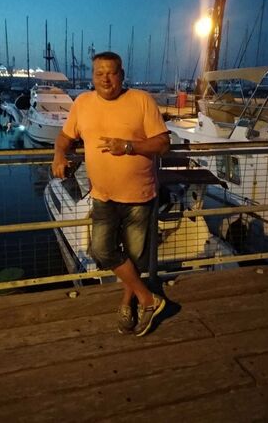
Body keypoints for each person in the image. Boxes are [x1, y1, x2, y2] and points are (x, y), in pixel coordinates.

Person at [52, 51, 169, 337]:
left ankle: (128, 303)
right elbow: (65, 137)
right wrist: (58, 155)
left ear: (122, 75)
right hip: (102, 195)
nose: (106, 79)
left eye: (112, 73)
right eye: (99, 73)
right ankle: (148, 299)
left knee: (135, 256)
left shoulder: (141, 100)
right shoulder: (82, 103)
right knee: (102, 250)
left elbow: (163, 143)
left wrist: (129, 146)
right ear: (93, 77)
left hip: (140, 196)